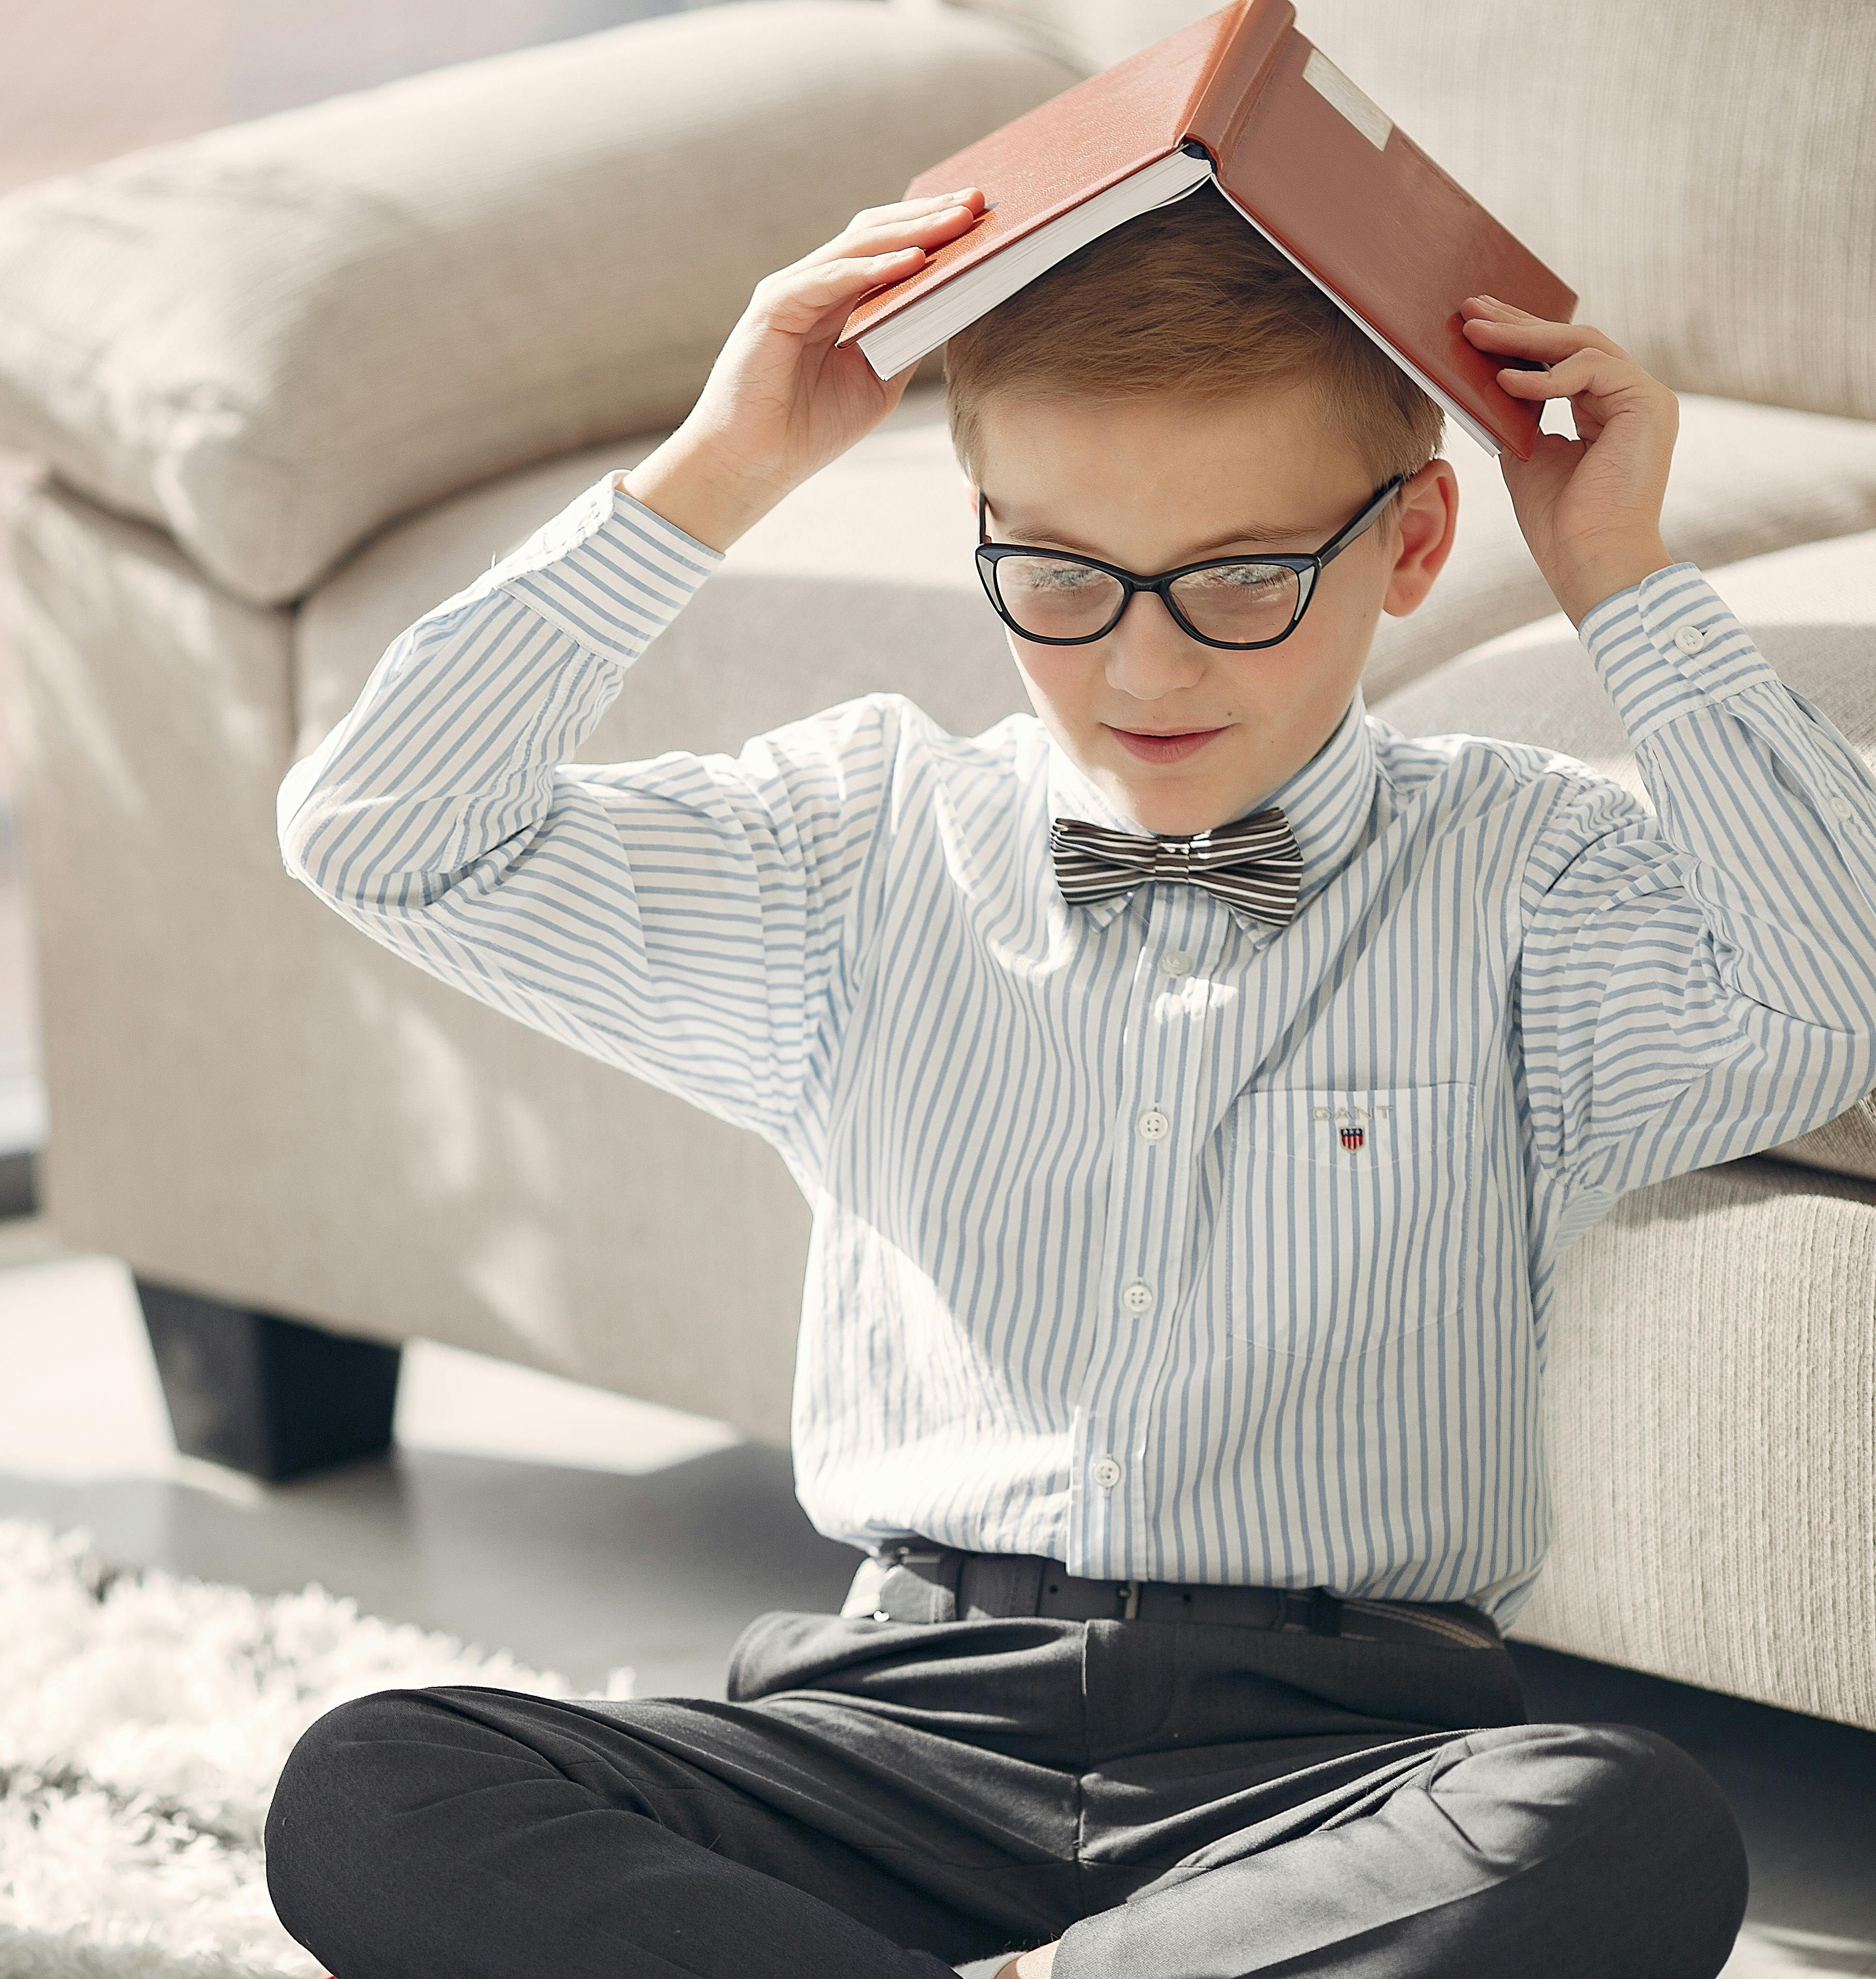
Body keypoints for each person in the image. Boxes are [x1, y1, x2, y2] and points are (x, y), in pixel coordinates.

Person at [259, 181, 1876, 1978]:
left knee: (1615, 1825)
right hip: (880, 1741)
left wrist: (1625, 576)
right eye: (1059, 577)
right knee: (378, 1784)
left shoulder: (1527, 877)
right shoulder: (851, 845)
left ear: (1416, 544)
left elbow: (1834, 991)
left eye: (1246, 578)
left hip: (1335, 1774)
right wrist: (721, 464)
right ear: (985, 535)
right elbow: (385, 833)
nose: (1143, 665)